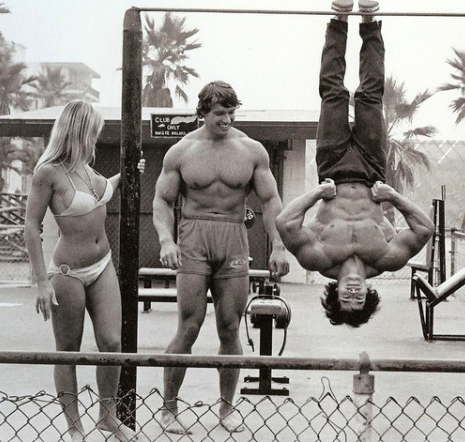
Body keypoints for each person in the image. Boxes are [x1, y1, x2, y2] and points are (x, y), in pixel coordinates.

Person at [276, 0, 434, 327]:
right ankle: (370, 21)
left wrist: (317, 195)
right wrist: (393, 197)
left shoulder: (317, 258)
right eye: (357, 298)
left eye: (345, 299)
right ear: (367, 292)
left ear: (334, 294)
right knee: (369, 96)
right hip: (372, 170)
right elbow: (425, 229)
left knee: (333, 94)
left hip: (332, 168)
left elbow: (285, 223)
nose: (351, 293)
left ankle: (338, 20)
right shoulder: (387, 259)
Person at [153, 80, 290, 434]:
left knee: (230, 327)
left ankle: (227, 409)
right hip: (194, 236)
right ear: (203, 113)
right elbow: (163, 201)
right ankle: (168, 409)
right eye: (218, 114)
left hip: (234, 236)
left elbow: (271, 201)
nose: (226, 119)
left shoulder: (252, 150)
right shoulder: (182, 151)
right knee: (189, 325)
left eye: (231, 112)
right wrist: (166, 240)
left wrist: (278, 244)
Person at [24, 100, 144, 442]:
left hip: (102, 264)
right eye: (93, 129)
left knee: (111, 342)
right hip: (67, 272)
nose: (96, 136)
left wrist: (130, 172)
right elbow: (31, 227)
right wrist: (41, 283)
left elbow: (106, 189)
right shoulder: (48, 171)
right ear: (78, 129)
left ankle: (107, 415)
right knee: (69, 350)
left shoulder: (88, 171)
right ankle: (74, 427)